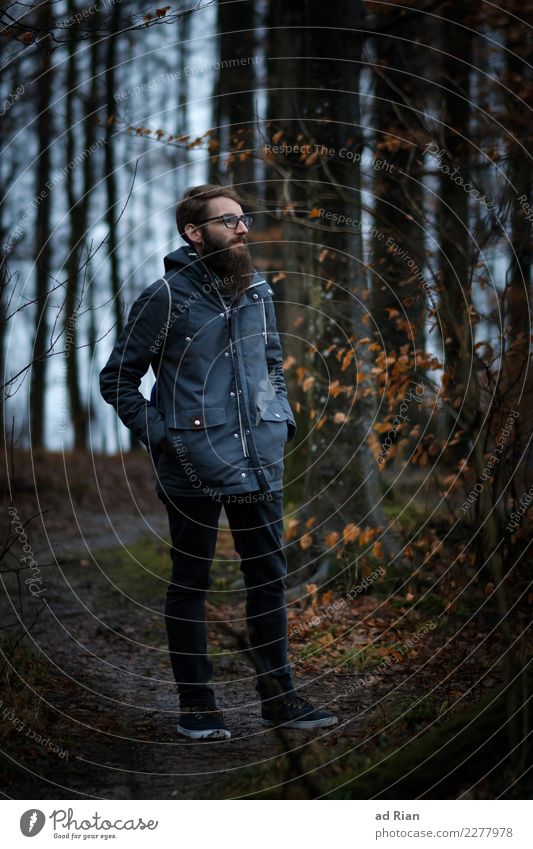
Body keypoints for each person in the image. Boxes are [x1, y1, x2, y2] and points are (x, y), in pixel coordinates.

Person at [99, 184, 337, 740]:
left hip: (259, 459)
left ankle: (281, 701)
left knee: (269, 581)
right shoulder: (165, 297)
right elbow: (119, 378)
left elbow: (271, 362)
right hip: (190, 466)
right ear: (194, 232)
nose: (241, 228)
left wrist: (280, 418)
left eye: (242, 218)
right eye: (227, 221)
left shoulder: (259, 291)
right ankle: (197, 708)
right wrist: (160, 434)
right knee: (192, 582)